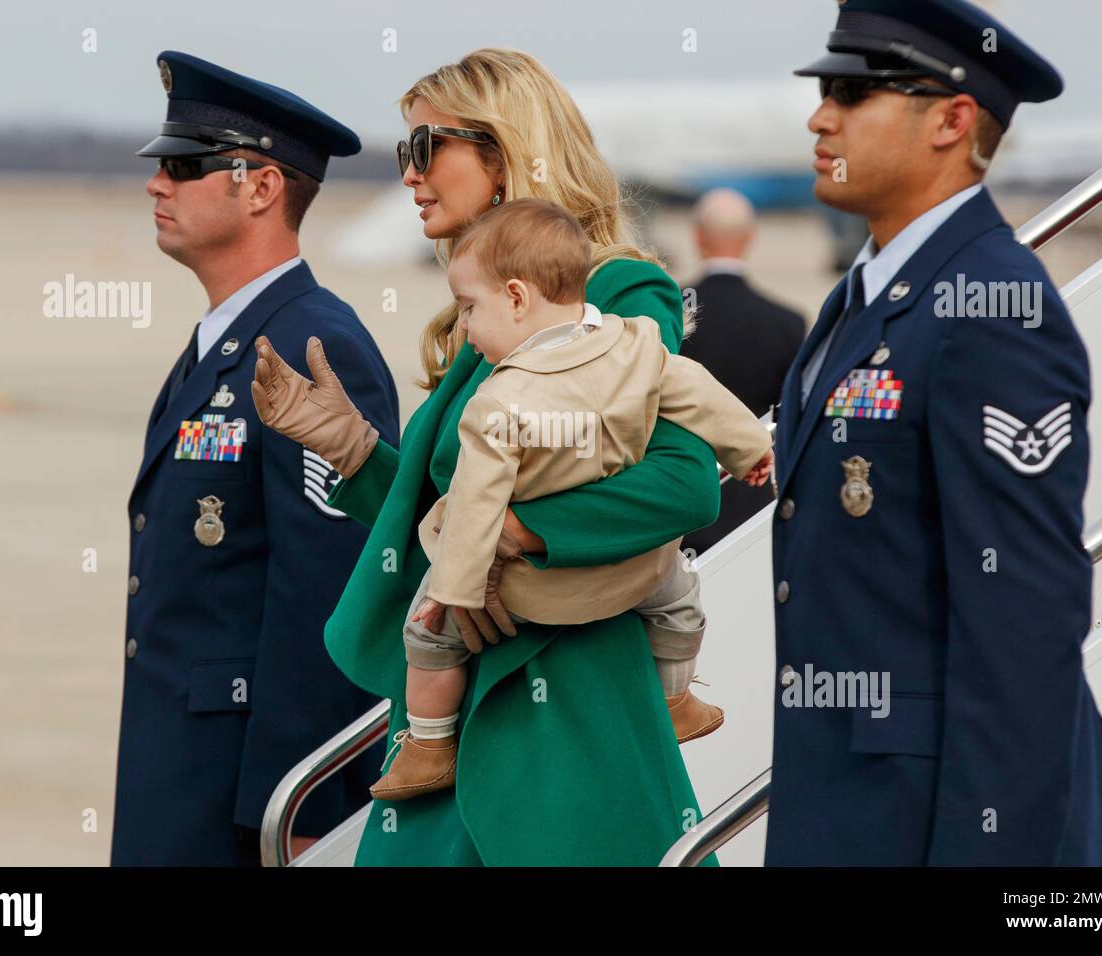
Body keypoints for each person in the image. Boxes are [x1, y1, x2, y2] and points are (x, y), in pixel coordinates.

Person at [252, 48, 723, 866]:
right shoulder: (494, 316)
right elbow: (450, 510)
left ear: (508, 153)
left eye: (427, 148)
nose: (409, 174)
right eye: (404, 151)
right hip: (466, 704)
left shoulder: (614, 289)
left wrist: (521, 537)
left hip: (558, 709)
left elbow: (685, 485)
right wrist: (354, 451)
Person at [768, 0, 1102, 866]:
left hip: (939, 824)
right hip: (853, 811)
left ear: (952, 119)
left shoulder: (992, 309)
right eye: (824, 90)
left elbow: (1023, 625)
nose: (821, 116)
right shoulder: (866, 298)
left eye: (854, 94)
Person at [291, 199, 769, 799]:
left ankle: (429, 744)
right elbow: (696, 391)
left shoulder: (498, 399)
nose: (463, 327)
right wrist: (750, 450)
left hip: (529, 592)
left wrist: (454, 592)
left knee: (428, 637)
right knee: (680, 601)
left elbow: (476, 505)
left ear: (516, 299)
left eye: (469, 309)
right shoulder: (634, 344)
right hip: (639, 571)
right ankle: (676, 699)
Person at [112, 51, 400, 866]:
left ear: (262, 186)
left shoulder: (314, 342)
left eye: (184, 165)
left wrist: (301, 803)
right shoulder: (224, 341)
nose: (156, 185)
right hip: (181, 775)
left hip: (249, 805)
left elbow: (330, 591)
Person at [680, 188, 804, 555]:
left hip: (683, 501)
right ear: (750, 238)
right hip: (754, 504)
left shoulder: (669, 316)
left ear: (697, 236)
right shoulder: (787, 323)